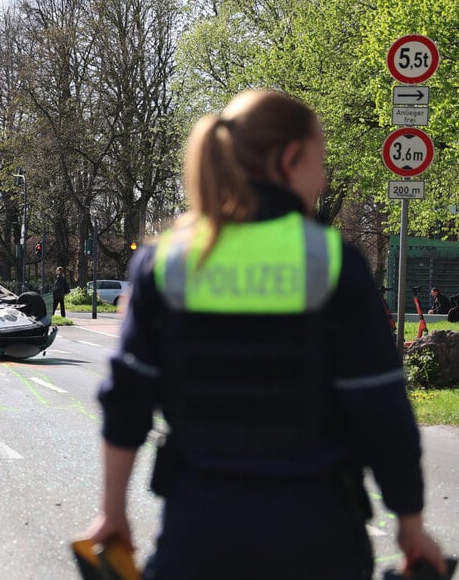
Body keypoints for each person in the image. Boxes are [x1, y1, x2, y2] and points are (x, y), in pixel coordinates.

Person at [81, 90, 445, 579]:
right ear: (290, 158)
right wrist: (410, 527)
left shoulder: (165, 263)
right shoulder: (333, 263)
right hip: (320, 539)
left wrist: (113, 510)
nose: (323, 179)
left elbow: (125, 400)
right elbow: (383, 413)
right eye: (321, 163)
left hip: (198, 535)